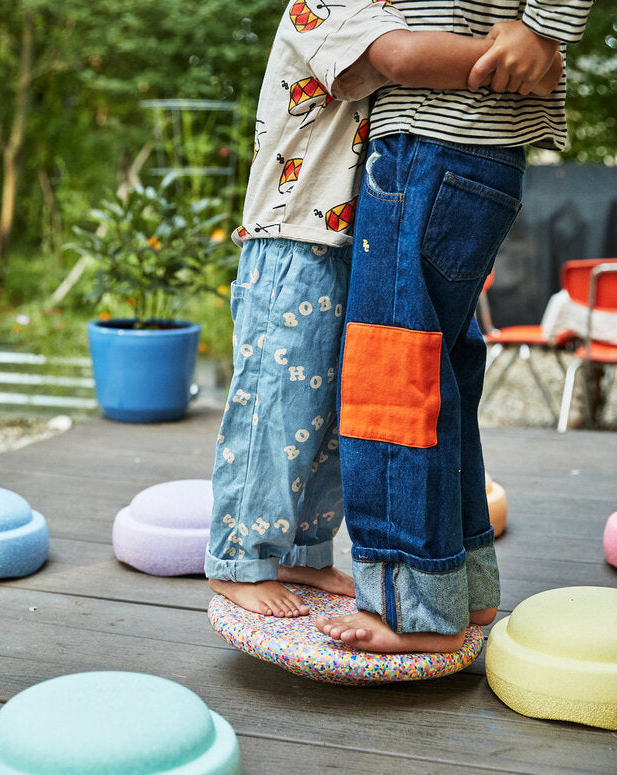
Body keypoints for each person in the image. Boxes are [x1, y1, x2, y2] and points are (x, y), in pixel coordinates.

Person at [204, 0, 562, 620]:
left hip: (356, 240)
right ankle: (238, 557)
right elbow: (403, 59)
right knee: (275, 407)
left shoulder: (388, 11)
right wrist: (526, 52)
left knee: (337, 421)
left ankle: (303, 549)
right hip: (295, 244)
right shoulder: (323, 9)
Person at [315, 2, 593, 652]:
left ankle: (410, 608)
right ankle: (459, 586)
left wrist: (542, 33)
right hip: (476, 153)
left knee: (389, 378)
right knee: (438, 378)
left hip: (428, 145)